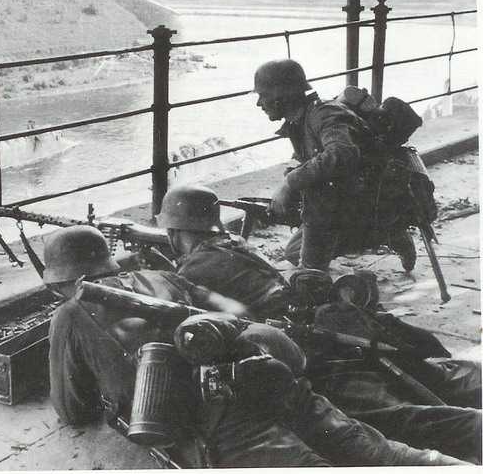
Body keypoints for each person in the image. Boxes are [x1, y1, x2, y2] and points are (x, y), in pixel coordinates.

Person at [44, 225, 466, 467]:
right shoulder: (159, 276)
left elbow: (73, 406)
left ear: (60, 280)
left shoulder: (68, 316)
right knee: (379, 452)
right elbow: (239, 311)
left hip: (218, 418)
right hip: (267, 371)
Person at [156, 183, 482, 464]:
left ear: (173, 233)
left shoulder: (193, 273)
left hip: (318, 354)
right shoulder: (236, 246)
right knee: (429, 379)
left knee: (399, 419)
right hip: (339, 329)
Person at [253, 58, 416, 272]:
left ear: (280, 97)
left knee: (309, 272)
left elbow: (343, 152)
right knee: (292, 253)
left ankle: (387, 232)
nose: (259, 103)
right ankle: (386, 233)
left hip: (366, 201)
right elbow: (314, 159)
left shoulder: (325, 115)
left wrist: (290, 183)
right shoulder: (304, 118)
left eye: (262, 95)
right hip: (348, 199)